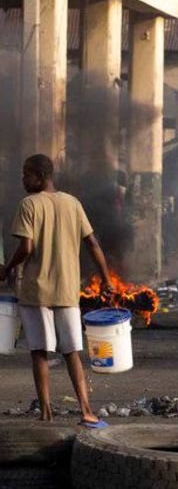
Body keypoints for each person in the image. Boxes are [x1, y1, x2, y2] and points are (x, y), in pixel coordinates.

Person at [0, 154, 111, 427]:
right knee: (72, 351)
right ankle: (86, 410)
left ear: (40, 176)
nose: (23, 179)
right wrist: (106, 279)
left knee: (39, 351)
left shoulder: (29, 204)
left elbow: (26, 247)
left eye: (26, 174)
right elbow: (93, 244)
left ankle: (46, 411)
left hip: (36, 291)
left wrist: (7, 268)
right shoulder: (72, 203)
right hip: (67, 290)